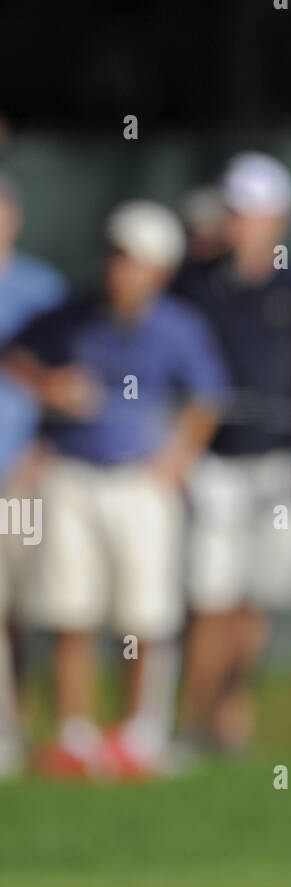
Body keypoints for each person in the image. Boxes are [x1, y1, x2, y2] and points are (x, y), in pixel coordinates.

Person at [2, 200, 228, 777]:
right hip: (70, 475)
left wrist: (177, 458)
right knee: (69, 610)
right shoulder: (69, 314)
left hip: (140, 484)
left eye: (132, 261)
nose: (118, 271)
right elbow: (15, 359)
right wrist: (50, 385)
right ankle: (76, 737)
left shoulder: (178, 325)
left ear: (157, 268)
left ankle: (140, 734)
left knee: (144, 615)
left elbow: (206, 398)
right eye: (115, 257)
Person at [173, 152, 291, 753]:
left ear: (275, 219)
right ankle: (188, 726)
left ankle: (230, 722)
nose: (240, 224)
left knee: (254, 603)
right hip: (212, 463)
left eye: (251, 213)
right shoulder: (194, 281)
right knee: (209, 599)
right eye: (234, 212)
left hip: (278, 466)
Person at [0, 172, 66, 774]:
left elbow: (67, 382)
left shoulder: (42, 289)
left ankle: (25, 725)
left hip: (21, 473)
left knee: (24, 608)